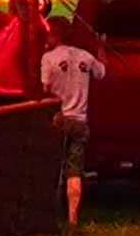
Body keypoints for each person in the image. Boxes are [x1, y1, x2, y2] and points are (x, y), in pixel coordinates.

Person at [40, 16, 106, 227]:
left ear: (54, 34)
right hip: (79, 120)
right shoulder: (86, 57)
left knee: (52, 167)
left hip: (58, 118)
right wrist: (100, 46)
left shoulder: (48, 58)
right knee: (74, 170)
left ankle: (50, 214)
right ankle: (73, 218)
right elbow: (102, 72)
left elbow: (43, 88)